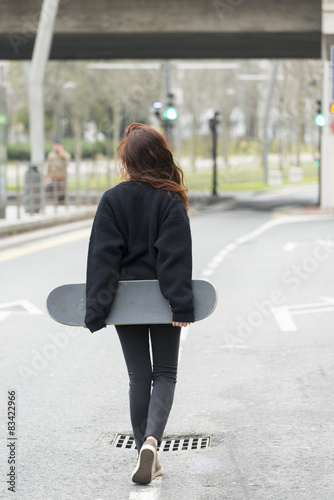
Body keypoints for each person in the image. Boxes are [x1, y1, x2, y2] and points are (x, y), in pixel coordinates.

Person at [84, 123, 194, 485]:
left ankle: (140, 451)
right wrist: (180, 305)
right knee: (165, 373)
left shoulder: (113, 200)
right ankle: (152, 442)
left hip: (127, 302)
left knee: (138, 376)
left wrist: (97, 310)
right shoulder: (170, 198)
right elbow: (173, 256)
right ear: (160, 156)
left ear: (128, 160)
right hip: (162, 301)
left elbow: (104, 259)